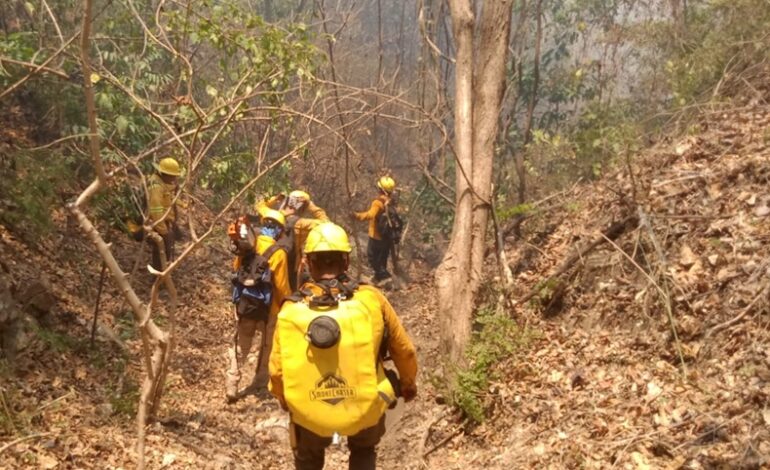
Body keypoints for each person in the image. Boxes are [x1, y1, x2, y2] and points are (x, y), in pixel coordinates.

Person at [269, 222, 417, 470]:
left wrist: (286, 399)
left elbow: (276, 370)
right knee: (363, 449)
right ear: (346, 262)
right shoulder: (371, 299)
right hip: (365, 404)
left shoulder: (291, 308)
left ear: (307, 262)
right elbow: (405, 350)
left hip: (308, 410)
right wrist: (407, 384)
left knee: (308, 457)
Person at [226, 208, 291, 402]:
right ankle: (260, 381)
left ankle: (231, 383)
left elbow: (236, 269)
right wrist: (286, 306)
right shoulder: (279, 253)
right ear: (279, 231)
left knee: (241, 345)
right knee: (267, 346)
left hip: (245, 305)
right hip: (268, 310)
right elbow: (281, 286)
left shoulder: (248, 245)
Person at [256, 190, 329, 289]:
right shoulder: (300, 224)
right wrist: (311, 206)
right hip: (288, 270)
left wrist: (276, 198)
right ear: (303, 207)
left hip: (263, 264)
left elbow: (259, 205)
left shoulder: (272, 215)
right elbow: (326, 223)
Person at [353, 176, 397, 286]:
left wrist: (356, 215)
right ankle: (378, 278)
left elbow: (370, 215)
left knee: (372, 257)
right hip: (387, 236)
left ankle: (386, 277)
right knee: (382, 259)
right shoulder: (391, 201)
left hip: (376, 235)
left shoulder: (378, 202)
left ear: (380, 189)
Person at [147, 157, 182, 270]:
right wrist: (163, 231)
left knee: (168, 249)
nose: (174, 179)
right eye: (172, 176)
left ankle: (164, 272)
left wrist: (185, 204)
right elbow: (155, 210)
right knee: (161, 252)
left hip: (166, 222)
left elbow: (169, 198)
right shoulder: (156, 187)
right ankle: (159, 277)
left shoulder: (162, 183)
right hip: (158, 225)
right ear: (164, 174)